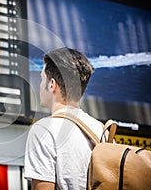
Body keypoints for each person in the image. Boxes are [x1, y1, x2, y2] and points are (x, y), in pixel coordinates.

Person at [24, 47, 104, 190]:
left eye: (42, 79)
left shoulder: (43, 130)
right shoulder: (102, 130)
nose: (41, 85)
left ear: (52, 84)